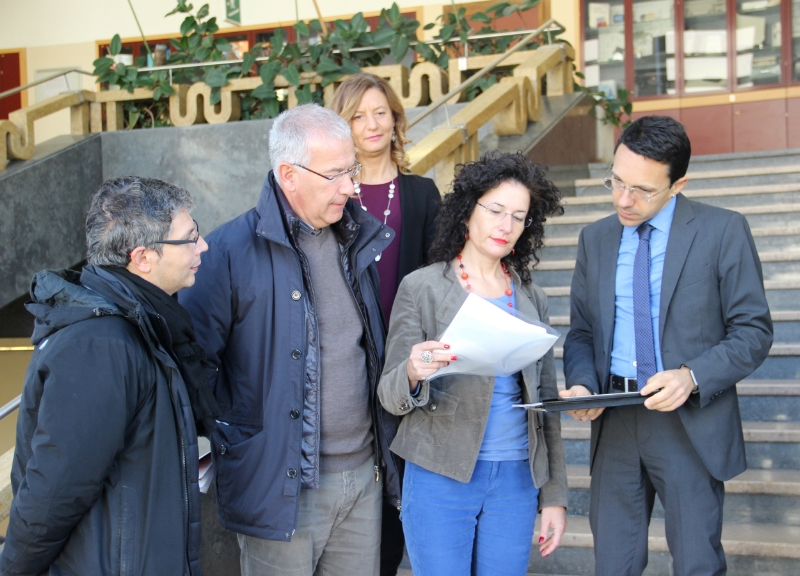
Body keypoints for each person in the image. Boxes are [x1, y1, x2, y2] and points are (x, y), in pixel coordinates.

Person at [179, 103, 401, 576]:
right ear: (289, 175)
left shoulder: (356, 238)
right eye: (336, 174)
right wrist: (244, 449)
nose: (351, 187)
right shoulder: (227, 252)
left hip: (363, 477)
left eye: (352, 170)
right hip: (281, 489)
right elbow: (192, 370)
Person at [561, 115, 773, 576]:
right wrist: (582, 384)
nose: (624, 199)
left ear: (678, 185)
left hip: (688, 422)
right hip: (614, 419)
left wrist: (691, 376)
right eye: (617, 182)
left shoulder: (722, 231)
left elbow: (753, 331)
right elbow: (582, 332)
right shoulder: (595, 238)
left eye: (642, 190)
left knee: (697, 563)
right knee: (613, 565)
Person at [0, 176, 211, 576]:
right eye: (189, 238)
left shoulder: (139, 321)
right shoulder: (100, 346)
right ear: (143, 257)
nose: (203, 246)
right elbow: (55, 492)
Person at [378, 151, 568, 576]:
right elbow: (389, 394)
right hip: (440, 474)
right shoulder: (422, 288)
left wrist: (554, 497)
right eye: (496, 210)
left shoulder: (531, 297)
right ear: (467, 211)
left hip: (516, 479)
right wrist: (412, 372)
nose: (506, 225)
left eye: (518, 217)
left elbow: (547, 403)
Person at [331, 72, 440, 575]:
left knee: (400, 484)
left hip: (404, 361)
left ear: (396, 120)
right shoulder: (331, 196)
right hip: (346, 359)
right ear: (343, 126)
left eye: (380, 113)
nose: (371, 124)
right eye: (358, 116)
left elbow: (439, 276)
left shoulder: (421, 193)